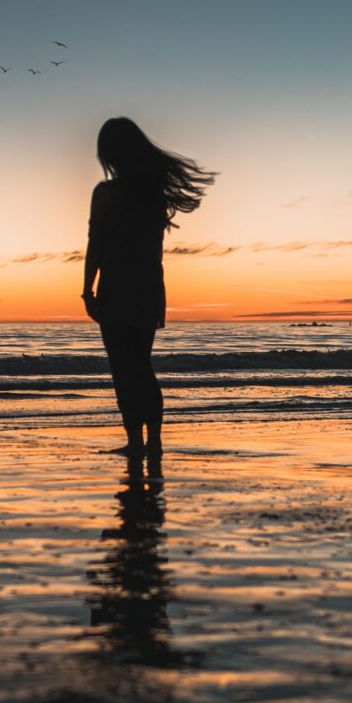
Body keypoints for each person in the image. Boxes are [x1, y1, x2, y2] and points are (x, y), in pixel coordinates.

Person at [82, 118, 215, 457]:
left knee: (123, 369)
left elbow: (96, 243)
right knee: (141, 365)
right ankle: (153, 441)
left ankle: (135, 442)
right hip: (148, 288)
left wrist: (88, 290)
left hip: (116, 287)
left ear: (109, 153)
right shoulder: (152, 195)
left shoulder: (107, 193)